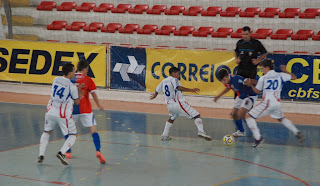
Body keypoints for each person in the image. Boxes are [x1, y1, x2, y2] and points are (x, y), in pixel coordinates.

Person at [244, 59, 305, 148]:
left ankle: (258, 138)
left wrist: (251, 85)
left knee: (248, 117)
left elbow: (257, 91)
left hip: (267, 102)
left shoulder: (263, 78)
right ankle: (296, 132)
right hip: (277, 103)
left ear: (267, 68)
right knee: (281, 119)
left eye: (263, 68)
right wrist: (285, 71)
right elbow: (294, 77)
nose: (262, 70)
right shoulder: (281, 75)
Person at [150, 67, 212, 141]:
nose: (179, 75)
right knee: (196, 115)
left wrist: (155, 94)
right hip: (178, 103)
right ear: (173, 73)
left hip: (169, 105)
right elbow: (178, 87)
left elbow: (157, 89)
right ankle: (201, 131)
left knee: (172, 118)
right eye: (178, 74)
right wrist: (191, 90)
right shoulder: (174, 79)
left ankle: (164, 135)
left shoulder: (164, 81)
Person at [38, 63, 81, 165]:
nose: (75, 72)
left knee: (47, 132)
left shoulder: (55, 79)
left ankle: (41, 155)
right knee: (73, 135)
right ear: (70, 72)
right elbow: (77, 102)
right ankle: (62, 152)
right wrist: (79, 93)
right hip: (62, 115)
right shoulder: (72, 86)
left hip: (50, 111)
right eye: (74, 71)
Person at [66, 60, 106, 164]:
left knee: (69, 131)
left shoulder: (70, 79)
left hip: (73, 109)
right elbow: (93, 94)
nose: (87, 71)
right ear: (84, 69)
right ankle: (98, 151)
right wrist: (99, 105)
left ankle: (68, 151)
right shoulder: (88, 79)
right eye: (87, 69)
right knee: (93, 130)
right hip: (86, 109)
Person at [214, 69, 257, 137]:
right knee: (234, 114)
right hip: (241, 96)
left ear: (228, 76)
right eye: (222, 81)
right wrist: (218, 96)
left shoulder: (237, 79)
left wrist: (259, 85)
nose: (223, 82)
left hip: (249, 95)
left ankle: (254, 129)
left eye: (224, 80)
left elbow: (250, 80)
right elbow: (228, 88)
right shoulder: (227, 81)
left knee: (241, 113)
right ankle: (241, 131)